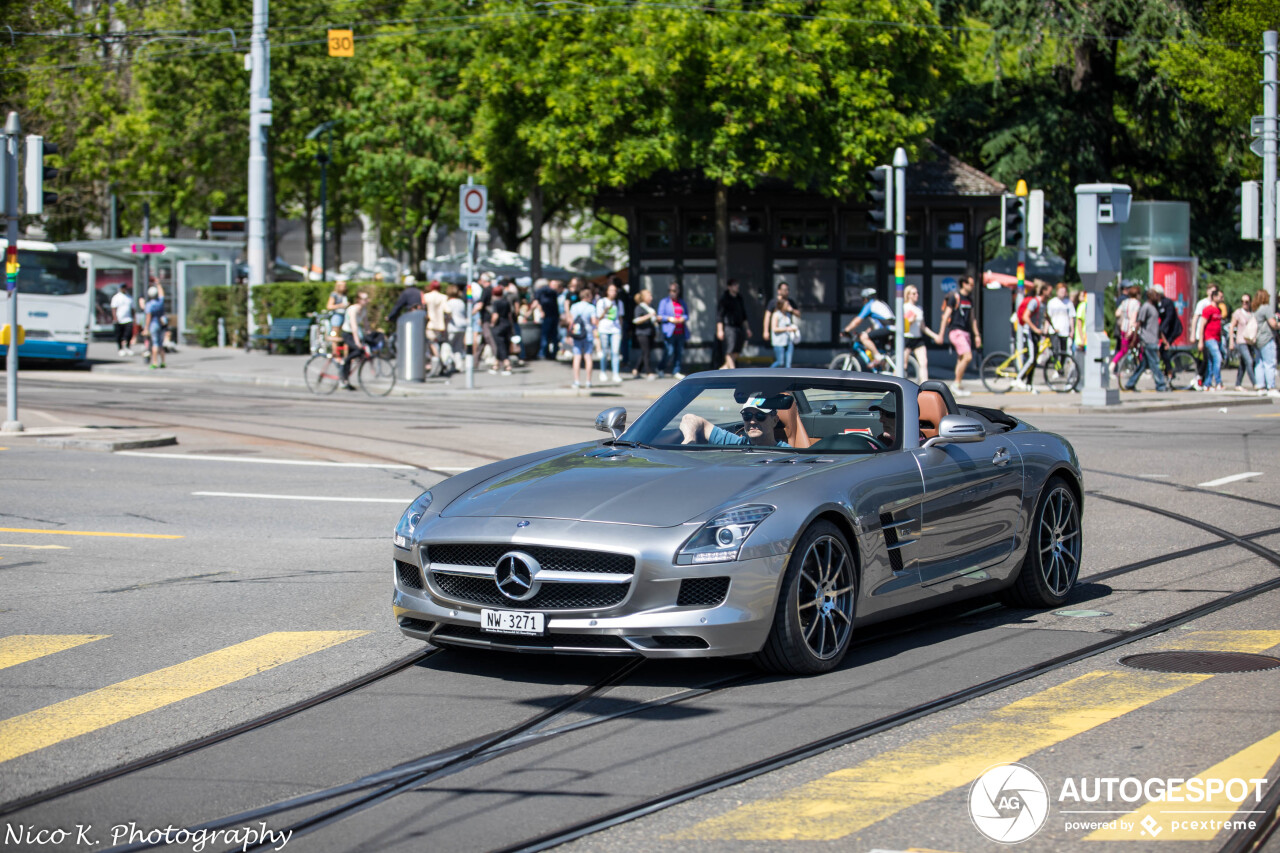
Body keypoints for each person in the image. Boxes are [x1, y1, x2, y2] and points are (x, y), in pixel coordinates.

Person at [679, 396, 791, 448]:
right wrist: (689, 440)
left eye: (760, 416)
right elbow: (689, 418)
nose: (752, 421)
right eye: (747, 416)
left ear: (775, 420)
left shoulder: (788, 454)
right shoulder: (736, 443)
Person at [939, 275, 982, 396]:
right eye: (971, 284)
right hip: (956, 331)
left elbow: (972, 319)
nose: (972, 287)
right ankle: (956, 383)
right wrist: (941, 334)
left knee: (961, 359)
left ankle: (956, 385)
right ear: (964, 283)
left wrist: (977, 335)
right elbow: (946, 315)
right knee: (968, 357)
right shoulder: (955, 296)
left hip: (966, 332)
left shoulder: (970, 299)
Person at [1122, 288, 1170, 392]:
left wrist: (1164, 340)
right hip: (1148, 340)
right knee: (1155, 363)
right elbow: (1138, 324)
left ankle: (1130, 383)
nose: (1158, 297)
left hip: (1153, 339)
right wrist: (1134, 340)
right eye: (1155, 295)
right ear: (1150, 296)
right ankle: (1161, 385)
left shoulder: (1154, 308)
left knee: (1143, 364)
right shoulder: (1146, 307)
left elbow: (1157, 326)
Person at [842, 287, 894, 369]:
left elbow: (857, 321)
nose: (863, 301)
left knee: (864, 337)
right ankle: (882, 369)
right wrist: (867, 331)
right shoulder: (880, 303)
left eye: (863, 299)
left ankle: (877, 357)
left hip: (887, 328)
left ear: (866, 298)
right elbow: (876, 324)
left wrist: (846, 330)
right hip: (890, 328)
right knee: (880, 350)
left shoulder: (870, 305)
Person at [903, 283, 940, 381]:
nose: (916, 295)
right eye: (914, 293)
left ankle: (924, 385)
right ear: (908, 295)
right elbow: (904, 326)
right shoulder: (905, 307)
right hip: (907, 337)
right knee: (903, 364)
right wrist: (911, 320)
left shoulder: (919, 309)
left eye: (917, 293)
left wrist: (935, 336)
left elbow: (923, 327)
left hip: (918, 338)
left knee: (924, 362)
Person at [716, 278, 751, 369]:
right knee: (729, 350)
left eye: (737, 285)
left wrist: (747, 329)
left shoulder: (739, 298)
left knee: (737, 350)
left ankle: (723, 369)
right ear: (729, 287)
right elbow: (720, 315)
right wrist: (720, 330)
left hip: (739, 327)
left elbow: (744, 315)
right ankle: (733, 371)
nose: (737, 287)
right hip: (729, 327)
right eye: (735, 285)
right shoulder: (724, 299)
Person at [340, 291, 371, 390]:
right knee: (357, 351)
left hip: (355, 334)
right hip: (347, 333)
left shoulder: (364, 309)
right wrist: (357, 342)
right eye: (364, 299)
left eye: (367, 299)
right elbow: (354, 326)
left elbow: (366, 324)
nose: (366, 301)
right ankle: (343, 374)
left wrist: (369, 334)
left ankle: (345, 379)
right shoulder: (353, 309)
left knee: (357, 353)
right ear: (358, 300)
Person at [567, 285, 597, 388]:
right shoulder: (591, 308)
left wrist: (569, 335)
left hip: (576, 334)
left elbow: (571, 322)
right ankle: (588, 381)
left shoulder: (574, 307)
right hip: (588, 334)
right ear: (588, 296)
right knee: (588, 357)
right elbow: (594, 322)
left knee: (577, 357)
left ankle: (577, 381)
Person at [1196, 289, 1225, 391]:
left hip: (1217, 339)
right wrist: (1200, 340)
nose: (1222, 299)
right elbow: (1202, 325)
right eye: (1220, 297)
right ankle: (1218, 382)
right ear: (1214, 297)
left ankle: (1207, 383)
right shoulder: (1208, 309)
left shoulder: (1219, 310)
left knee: (1211, 362)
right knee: (1218, 358)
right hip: (1209, 338)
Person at [657, 282, 688, 379]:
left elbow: (686, 314)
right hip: (670, 331)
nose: (672, 293)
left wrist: (683, 318)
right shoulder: (664, 302)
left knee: (679, 352)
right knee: (669, 351)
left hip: (680, 331)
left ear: (678, 291)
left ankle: (676, 370)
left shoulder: (681, 302)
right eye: (670, 291)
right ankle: (660, 368)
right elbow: (659, 316)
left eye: (674, 291)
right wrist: (670, 319)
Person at [1229, 292, 1257, 391]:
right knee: (1249, 361)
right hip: (1241, 341)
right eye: (1242, 301)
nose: (1244, 303)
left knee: (1243, 364)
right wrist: (1231, 342)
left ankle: (1238, 384)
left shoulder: (1252, 313)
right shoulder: (1238, 313)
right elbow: (1231, 327)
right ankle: (1256, 383)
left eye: (1246, 301)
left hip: (1250, 341)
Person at [596, 281, 624, 382]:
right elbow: (598, 317)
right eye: (611, 290)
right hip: (604, 329)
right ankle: (603, 371)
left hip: (615, 329)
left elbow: (620, 317)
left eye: (615, 291)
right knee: (605, 351)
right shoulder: (601, 302)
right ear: (607, 291)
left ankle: (615, 373)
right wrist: (606, 310)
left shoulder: (619, 303)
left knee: (615, 352)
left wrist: (621, 329)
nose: (613, 293)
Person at [1253, 289, 1278, 395]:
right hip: (1267, 339)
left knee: (1259, 364)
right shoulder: (1266, 308)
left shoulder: (1256, 310)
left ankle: (1260, 386)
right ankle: (1271, 387)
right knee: (1270, 363)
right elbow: (1273, 324)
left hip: (1257, 340)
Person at [1111, 284, 1140, 374]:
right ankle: (1141, 367)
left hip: (1123, 327)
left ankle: (1112, 365)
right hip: (1131, 329)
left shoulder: (1125, 302)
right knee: (1138, 349)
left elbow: (1117, 313)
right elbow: (1133, 318)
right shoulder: (1136, 303)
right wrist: (1131, 330)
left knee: (1123, 350)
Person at [631, 289, 658, 379]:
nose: (651, 298)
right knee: (646, 353)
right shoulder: (639, 307)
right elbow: (637, 320)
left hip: (650, 332)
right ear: (643, 298)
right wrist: (649, 316)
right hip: (642, 333)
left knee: (645, 352)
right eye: (649, 296)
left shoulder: (650, 307)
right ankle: (648, 371)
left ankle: (636, 369)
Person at [763, 282, 800, 347]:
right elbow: (767, 316)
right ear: (779, 291)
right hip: (778, 335)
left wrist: (791, 310)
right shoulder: (773, 302)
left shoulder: (790, 302)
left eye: (788, 290)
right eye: (785, 290)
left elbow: (798, 314)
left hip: (789, 335)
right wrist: (766, 331)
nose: (787, 292)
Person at [488, 283, 514, 375]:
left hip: (499, 325)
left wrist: (492, 324)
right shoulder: (506, 301)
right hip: (507, 324)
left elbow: (495, 315)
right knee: (504, 344)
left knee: (500, 345)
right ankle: (496, 365)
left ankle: (507, 365)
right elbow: (510, 315)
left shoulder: (496, 303)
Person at [423, 280, 449, 369]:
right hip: (440, 325)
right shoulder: (443, 297)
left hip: (430, 324)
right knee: (437, 343)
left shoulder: (426, 297)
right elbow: (448, 310)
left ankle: (436, 360)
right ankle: (440, 361)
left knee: (431, 343)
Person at [533, 278, 561, 360]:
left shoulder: (540, 291)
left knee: (545, 335)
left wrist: (528, 314)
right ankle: (554, 352)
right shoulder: (552, 291)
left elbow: (536, 302)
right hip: (555, 315)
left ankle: (543, 353)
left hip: (547, 316)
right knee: (554, 335)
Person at [770, 295, 799, 368]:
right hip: (779, 342)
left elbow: (798, 314)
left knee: (788, 364)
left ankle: (788, 378)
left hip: (788, 341)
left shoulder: (788, 315)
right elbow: (774, 329)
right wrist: (787, 329)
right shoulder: (776, 315)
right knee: (780, 362)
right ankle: (768, 372)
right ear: (782, 306)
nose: (788, 306)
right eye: (787, 305)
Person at [444, 283, 467, 373]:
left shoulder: (449, 303)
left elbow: (447, 315)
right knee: (458, 347)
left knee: (449, 346)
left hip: (452, 326)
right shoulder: (461, 302)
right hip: (462, 326)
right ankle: (459, 365)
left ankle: (450, 363)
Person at [1046, 282, 1073, 357]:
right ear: (1057, 291)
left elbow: (1071, 317)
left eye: (1064, 291)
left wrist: (1072, 330)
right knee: (1055, 350)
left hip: (1064, 330)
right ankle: (1057, 368)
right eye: (1061, 291)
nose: (1063, 293)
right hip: (1054, 330)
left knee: (1064, 351)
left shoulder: (1069, 303)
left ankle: (1061, 367)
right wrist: (1046, 330)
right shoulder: (1052, 302)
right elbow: (1048, 317)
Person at [144, 285, 166, 369]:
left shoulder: (149, 305)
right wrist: (159, 284)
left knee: (155, 344)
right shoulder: (160, 302)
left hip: (153, 324)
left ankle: (155, 363)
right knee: (161, 344)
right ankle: (163, 362)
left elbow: (148, 317)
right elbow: (162, 294)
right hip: (161, 324)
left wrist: (146, 328)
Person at [110, 283, 134, 356]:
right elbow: (113, 308)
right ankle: (120, 348)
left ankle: (127, 347)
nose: (124, 289)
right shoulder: (116, 297)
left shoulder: (129, 297)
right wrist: (115, 318)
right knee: (119, 335)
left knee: (129, 334)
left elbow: (132, 308)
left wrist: (134, 317)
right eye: (122, 287)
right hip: (119, 319)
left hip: (128, 319)